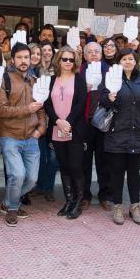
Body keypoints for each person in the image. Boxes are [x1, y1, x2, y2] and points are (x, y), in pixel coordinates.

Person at [100, 48, 140, 226]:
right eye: (124, 59)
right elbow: (102, 101)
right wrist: (109, 97)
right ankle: (118, 206)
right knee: (116, 172)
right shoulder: (111, 79)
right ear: (119, 61)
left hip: (138, 132)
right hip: (117, 132)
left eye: (131, 59)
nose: (128, 61)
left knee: (134, 172)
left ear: (136, 61)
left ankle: (134, 206)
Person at [0, 43, 46, 227]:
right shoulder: (4, 79)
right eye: (20, 57)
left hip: (31, 137)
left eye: (27, 57)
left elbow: (41, 109)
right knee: (17, 174)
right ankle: (13, 208)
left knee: (32, 179)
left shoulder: (34, 80)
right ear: (13, 59)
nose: (24, 61)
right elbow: (0, 110)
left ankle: (7, 202)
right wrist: (26, 109)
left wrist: (40, 130)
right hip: (10, 136)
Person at [44, 46, 87, 219]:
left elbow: (81, 103)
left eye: (71, 59)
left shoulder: (79, 79)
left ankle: (78, 202)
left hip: (74, 129)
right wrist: (58, 121)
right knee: (63, 167)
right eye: (64, 59)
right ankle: (69, 200)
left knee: (76, 167)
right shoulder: (52, 80)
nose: (68, 62)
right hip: (56, 129)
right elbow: (47, 104)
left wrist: (67, 122)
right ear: (58, 60)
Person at [80, 41, 112, 210]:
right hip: (84, 123)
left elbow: (115, 93)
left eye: (96, 52)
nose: (93, 54)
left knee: (104, 161)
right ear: (84, 56)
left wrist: (103, 99)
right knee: (84, 161)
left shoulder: (109, 71)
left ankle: (105, 195)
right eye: (90, 52)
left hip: (103, 122)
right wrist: (83, 90)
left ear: (102, 54)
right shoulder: (79, 71)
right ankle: (85, 195)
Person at [32, 41, 58, 202]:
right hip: (40, 119)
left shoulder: (59, 70)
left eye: (50, 50)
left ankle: (49, 188)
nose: (47, 53)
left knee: (54, 157)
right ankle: (39, 186)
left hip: (54, 119)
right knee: (41, 156)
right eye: (44, 50)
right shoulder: (35, 70)